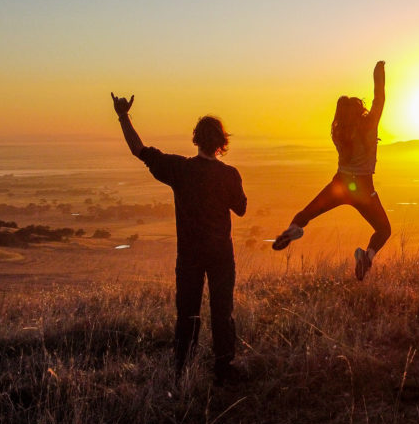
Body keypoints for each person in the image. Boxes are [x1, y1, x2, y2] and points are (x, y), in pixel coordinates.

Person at [111, 92, 247, 382]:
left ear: (196, 140)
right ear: (222, 143)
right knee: (222, 312)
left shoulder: (180, 169)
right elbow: (242, 209)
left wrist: (123, 117)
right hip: (221, 254)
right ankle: (223, 368)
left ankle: (182, 370)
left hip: (190, 255)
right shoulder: (229, 174)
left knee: (187, 313)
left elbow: (139, 149)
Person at [272, 61, 391, 280]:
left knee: (307, 213)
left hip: (340, 184)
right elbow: (379, 99)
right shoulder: (369, 126)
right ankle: (367, 257)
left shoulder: (338, 133)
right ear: (359, 111)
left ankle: (292, 230)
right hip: (363, 188)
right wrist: (378, 73)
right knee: (384, 230)